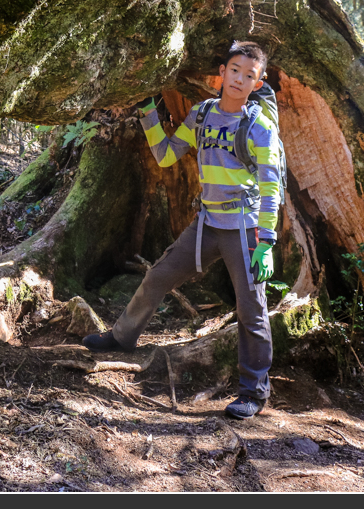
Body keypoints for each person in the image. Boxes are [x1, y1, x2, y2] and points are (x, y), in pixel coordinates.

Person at [82, 40, 281, 420]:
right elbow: (166, 154)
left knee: (251, 308)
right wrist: (147, 113)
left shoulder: (259, 127)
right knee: (157, 276)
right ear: (220, 74)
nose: (239, 80)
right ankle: (122, 338)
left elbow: (273, 186)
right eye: (234, 71)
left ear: (258, 83)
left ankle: (253, 391)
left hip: (244, 228)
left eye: (249, 76)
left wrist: (266, 242)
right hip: (206, 224)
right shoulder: (202, 114)